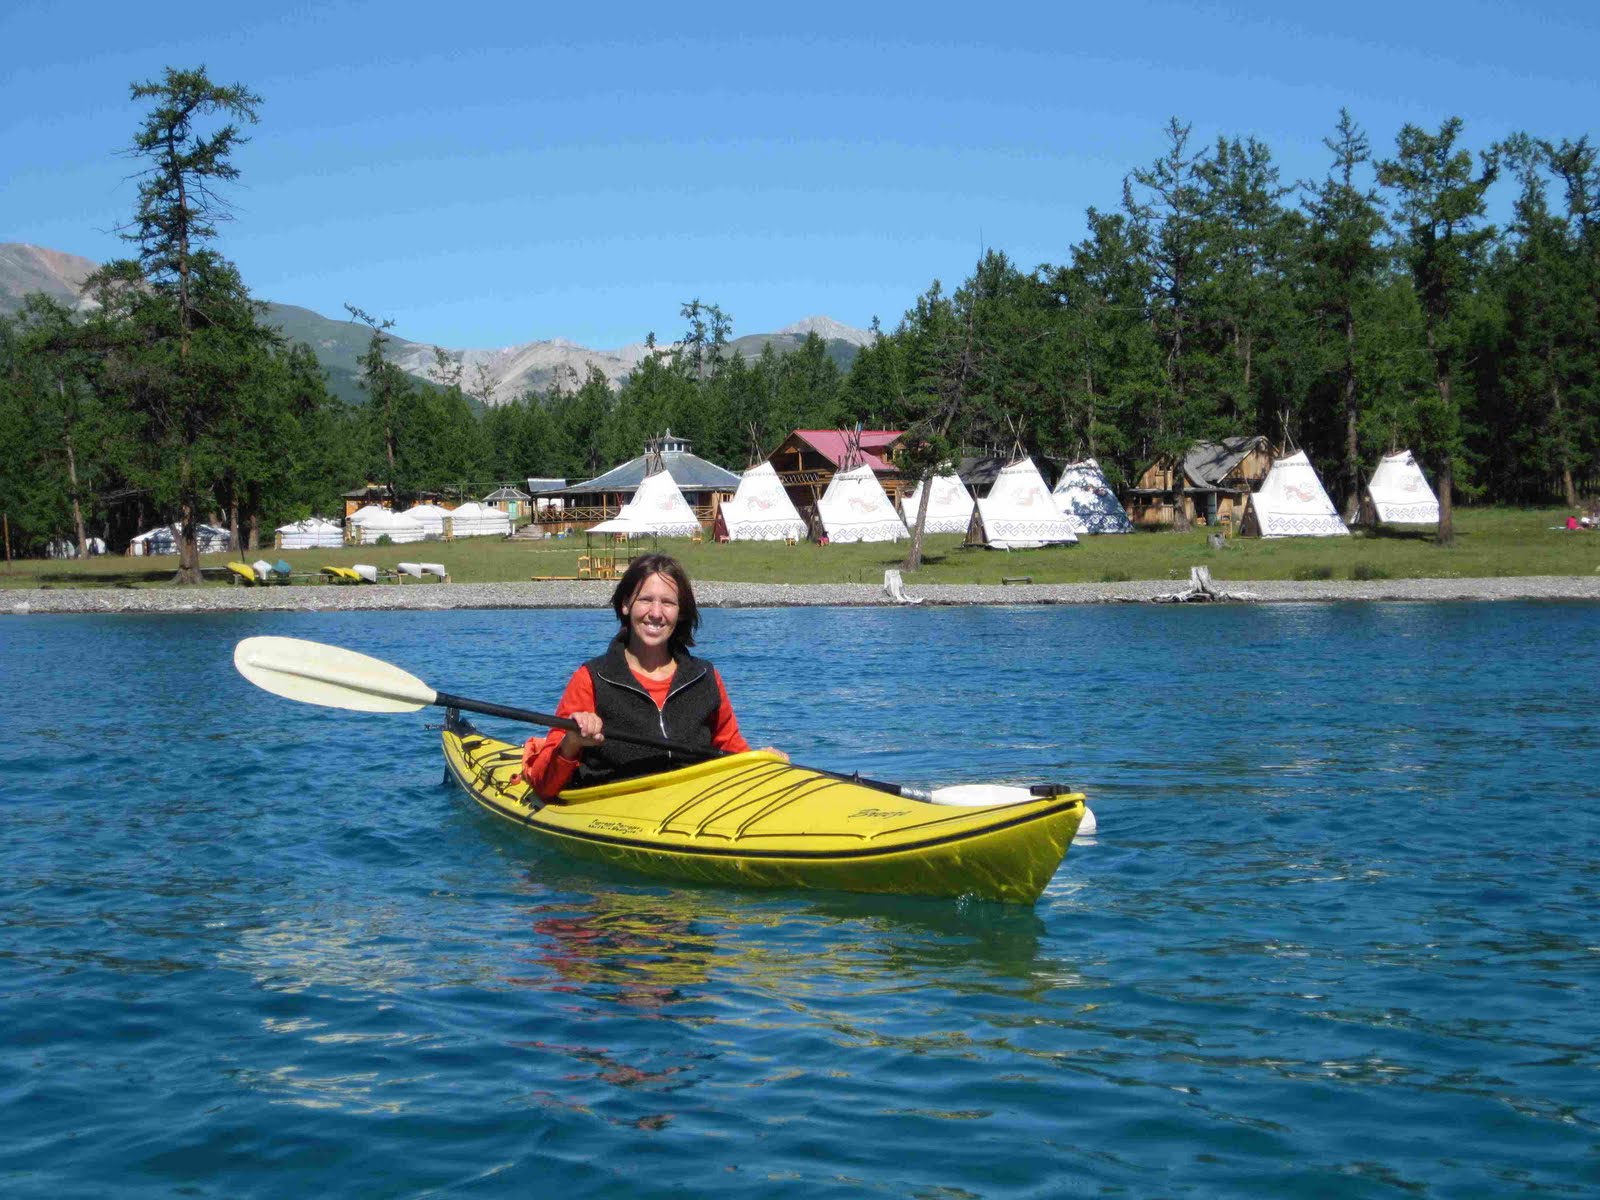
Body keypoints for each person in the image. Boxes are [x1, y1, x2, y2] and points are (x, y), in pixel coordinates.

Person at [521, 553, 769, 800]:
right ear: (626, 604)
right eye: (646, 600)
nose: (656, 613)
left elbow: (734, 752)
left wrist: (765, 766)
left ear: (680, 611)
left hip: (693, 803)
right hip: (613, 807)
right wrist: (572, 742)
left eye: (668, 603)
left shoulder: (705, 677)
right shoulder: (591, 679)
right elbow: (544, 786)